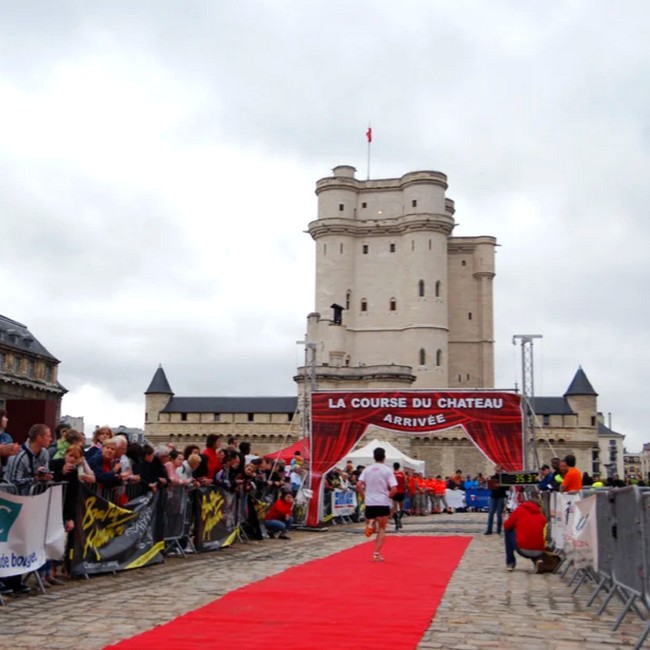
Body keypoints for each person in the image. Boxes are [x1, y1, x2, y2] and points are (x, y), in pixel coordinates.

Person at [357, 447, 397, 562]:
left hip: (370, 502)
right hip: (382, 502)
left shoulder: (367, 470)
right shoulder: (387, 470)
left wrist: (365, 496)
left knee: (372, 527)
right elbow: (394, 489)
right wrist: (388, 497)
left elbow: (359, 485)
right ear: (384, 457)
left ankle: (371, 522)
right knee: (382, 529)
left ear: (373, 457)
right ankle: (376, 554)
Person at [503, 496, 559, 573]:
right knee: (534, 538)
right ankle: (538, 560)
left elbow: (507, 525)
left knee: (508, 530)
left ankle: (510, 562)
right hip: (539, 551)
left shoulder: (519, 510)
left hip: (523, 549)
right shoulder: (542, 517)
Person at [8, 423, 53, 494]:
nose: (51, 439)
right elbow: (14, 481)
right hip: (16, 497)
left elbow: (45, 472)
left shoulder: (45, 453)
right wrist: (35, 478)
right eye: (48, 436)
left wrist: (45, 476)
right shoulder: (21, 456)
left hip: (34, 496)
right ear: (39, 438)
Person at [485, 465, 508, 535]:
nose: (497, 470)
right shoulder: (492, 477)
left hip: (500, 497)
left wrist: (500, 485)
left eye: (499, 469)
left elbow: (507, 488)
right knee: (491, 513)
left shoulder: (504, 477)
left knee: (499, 514)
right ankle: (489, 530)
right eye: (496, 469)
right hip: (493, 496)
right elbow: (490, 487)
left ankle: (499, 530)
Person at [391, 462, 406, 530]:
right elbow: (405, 482)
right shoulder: (402, 473)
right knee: (402, 507)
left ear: (394, 467)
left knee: (395, 508)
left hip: (395, 491)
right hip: (401, 491)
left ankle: (396, 523)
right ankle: (399, 518)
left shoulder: (392, 474)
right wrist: (405, 489)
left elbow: (390, 483)